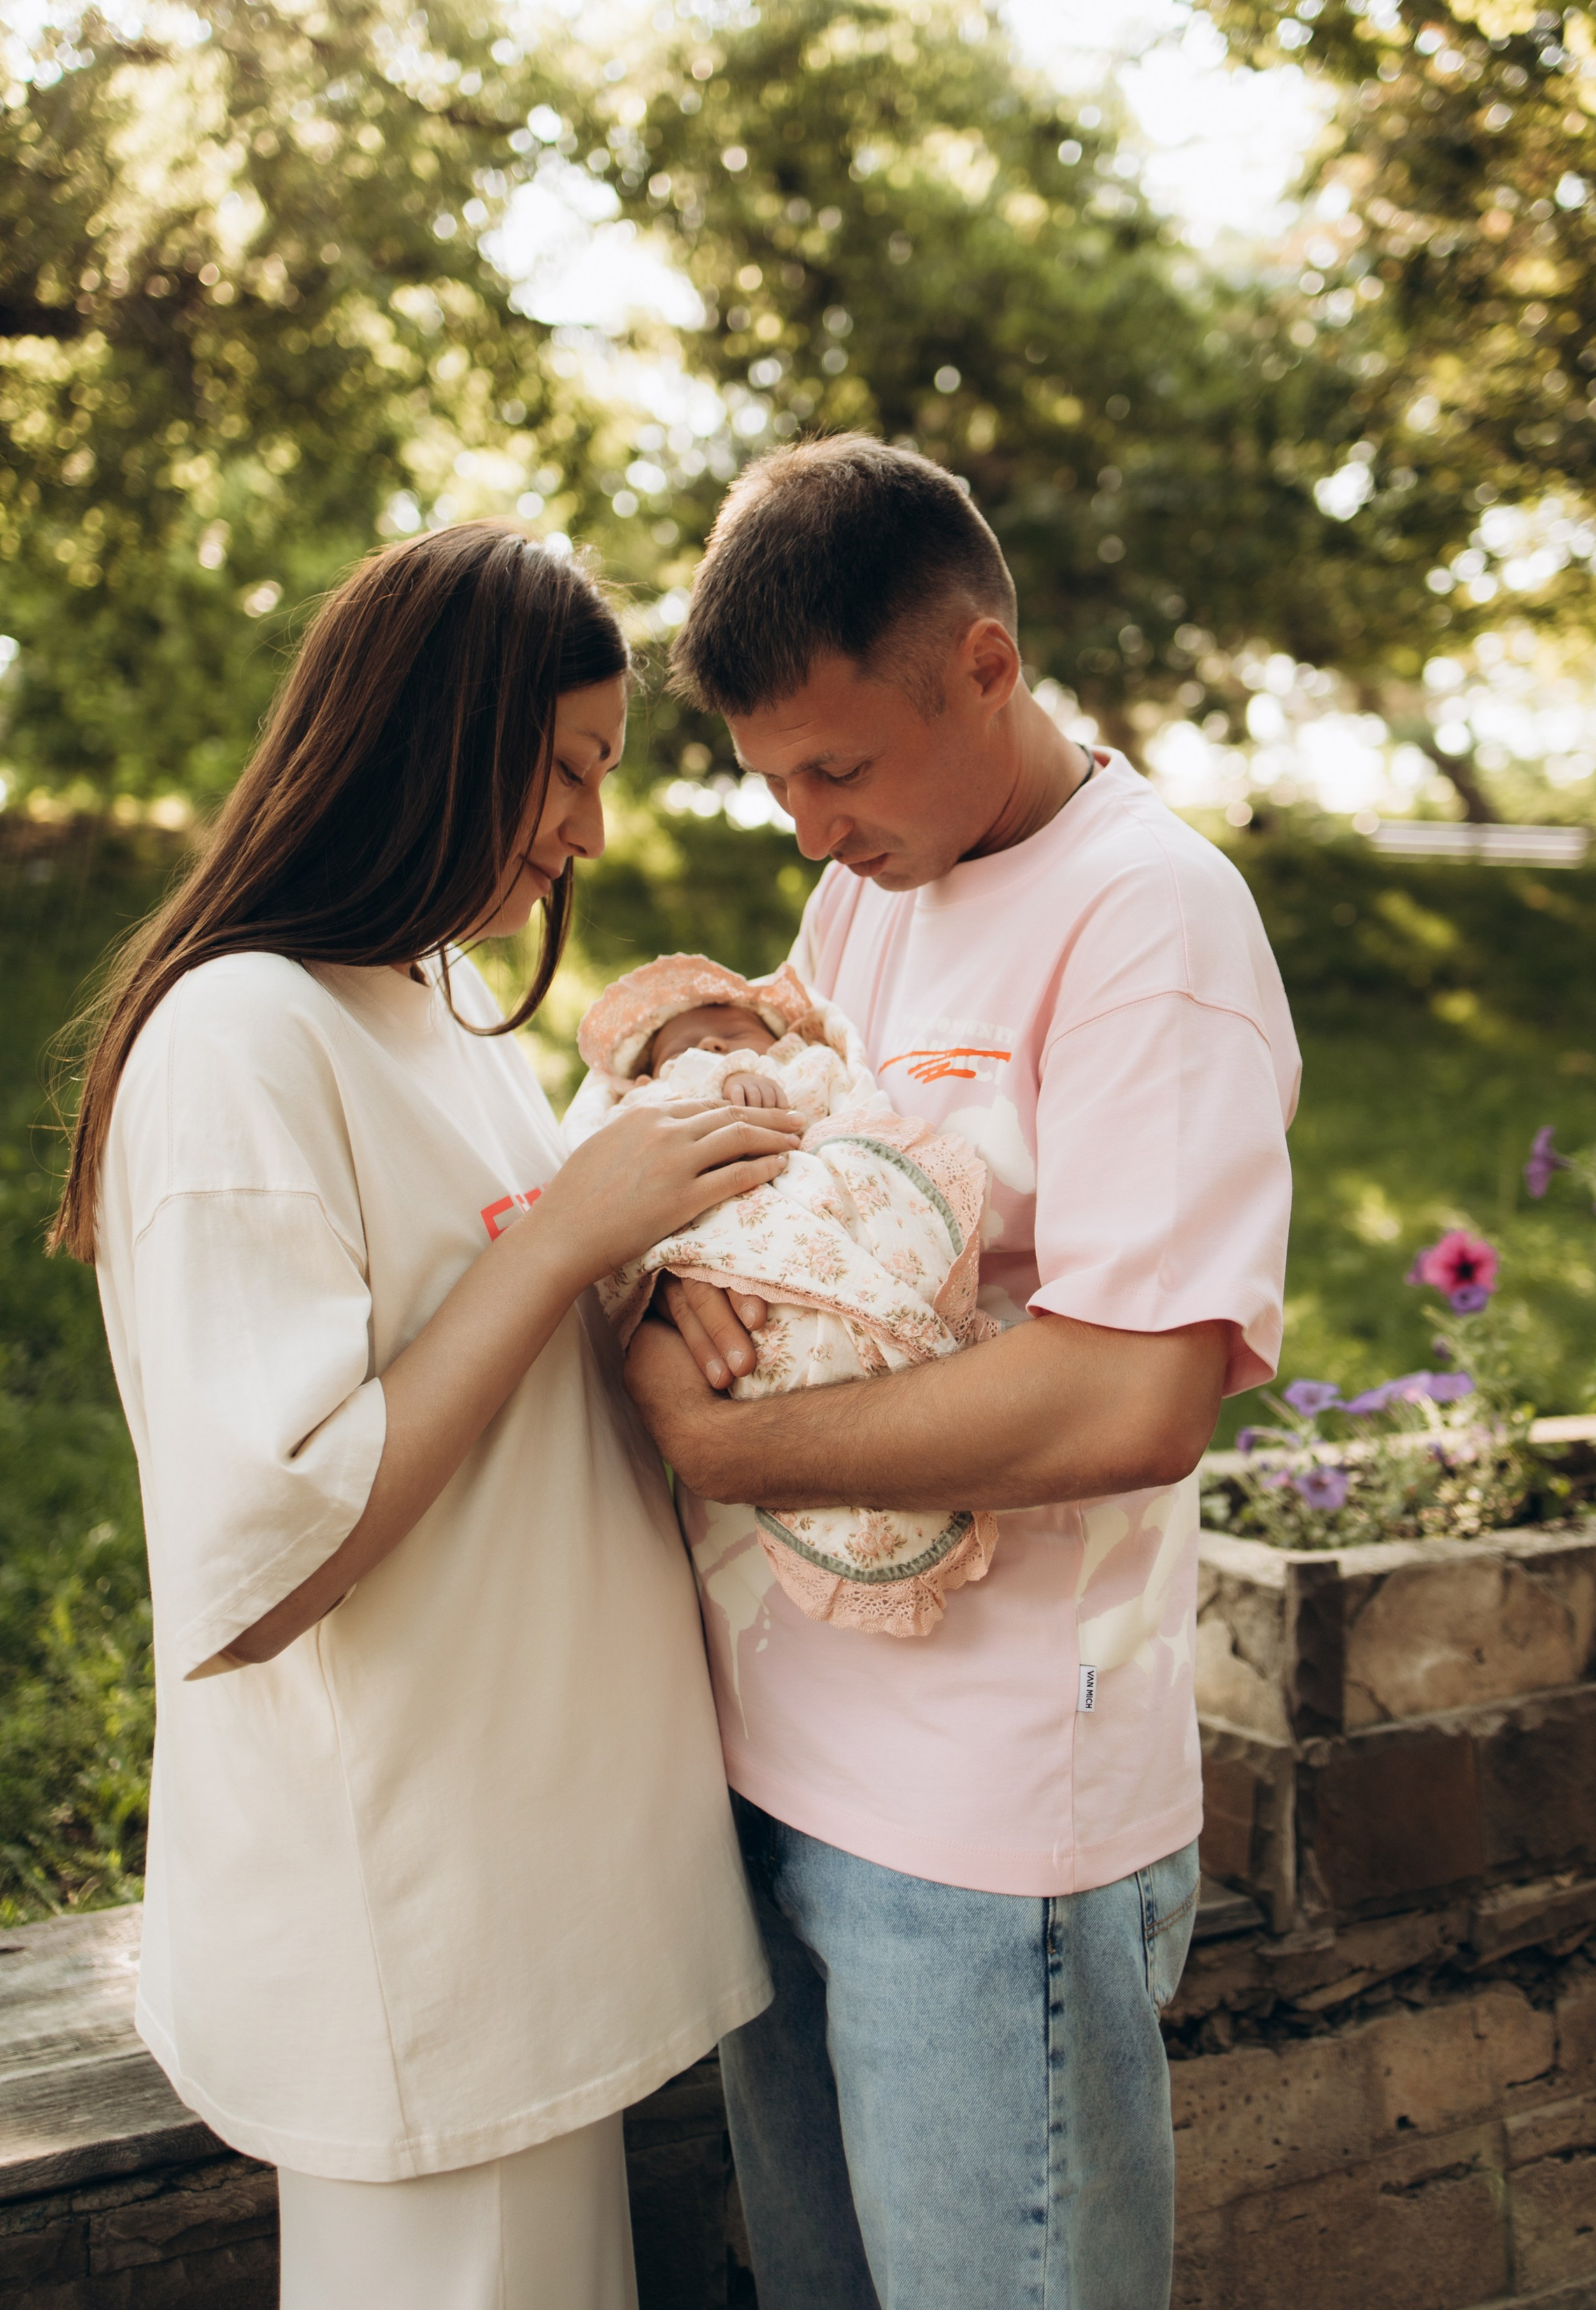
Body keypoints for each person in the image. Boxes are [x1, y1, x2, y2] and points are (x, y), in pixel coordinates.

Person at [50, 522, 804, 2309]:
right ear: (430, 741)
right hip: (413, 1914)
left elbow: (506, 1325)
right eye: (561, 769)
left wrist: (647, 1272)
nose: (587, 832)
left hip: (529, 1884)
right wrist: (564, 1244)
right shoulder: (240, 1039)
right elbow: (274, 1547)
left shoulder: (435, 998)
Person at [625, 435, 1301, 2310]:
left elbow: (1132, 1395)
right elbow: (786, 1194)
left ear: (985, 666)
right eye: (772, 783)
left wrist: (728, 1448)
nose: (807, 831)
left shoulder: (1150, 927)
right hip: (779, 1765)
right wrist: (689, 1294)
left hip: (995, 1833)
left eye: (837, 767)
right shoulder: (864, 894)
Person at [567, 953, 998, 1637]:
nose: (711, 1048)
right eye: (682, 1048)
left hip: (819, 1203)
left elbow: (838, 1102)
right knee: (775, 1351)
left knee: (863, 1309)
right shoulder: (650, 1103)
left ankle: (889, 1347)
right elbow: (627, 1158)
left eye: (736, 1036)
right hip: (728, 1262)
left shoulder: (805, 1067)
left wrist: (768, 1081)